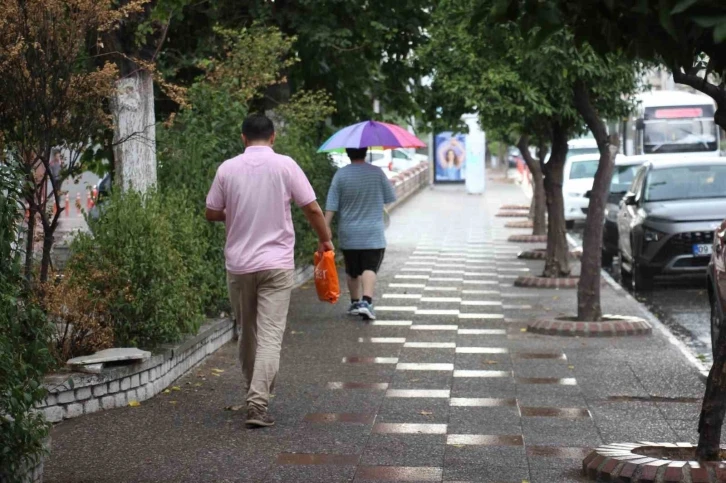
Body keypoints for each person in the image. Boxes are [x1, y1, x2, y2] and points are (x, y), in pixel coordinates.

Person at [205, 114, 333, 428]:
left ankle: (255, 395)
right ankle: (258, 403)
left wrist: (237, 213)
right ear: (273, 137)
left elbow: (211, 212)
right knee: (270, 337)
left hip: (239, 266)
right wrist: (325, 239)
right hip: (276, 264)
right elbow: (312, 208)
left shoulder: (227, 168)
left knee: (247, 333)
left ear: (243, 138)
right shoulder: (285, 165)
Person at [325, 147, 397, 321]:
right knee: (369, 267)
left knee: (352, 270)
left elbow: (331, 204)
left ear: (348, 153)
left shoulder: (340, 175)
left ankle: (355, 302)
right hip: (373, 233)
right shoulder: (377, 173)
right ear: (365, 152)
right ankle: (367, 302)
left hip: (349, 232)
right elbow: (390, 197)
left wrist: (325, 227)